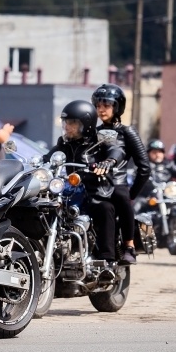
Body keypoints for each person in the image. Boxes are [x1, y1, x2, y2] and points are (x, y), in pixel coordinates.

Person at [43, 100, 126, 265]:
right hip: (69, 189)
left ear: (86, 124)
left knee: (104, 207)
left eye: (72, 123)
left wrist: (109, 161)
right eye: (65, 122)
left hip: (94, 189)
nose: (67, 127)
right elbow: (48, 159)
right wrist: (39, 165)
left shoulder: (98, 142)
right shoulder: (64, 144)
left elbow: (116, 149)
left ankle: (107, 259)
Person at [91, 83, 150, 265]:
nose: (101, 110)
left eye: (106, 105)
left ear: (117, 107)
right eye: (98, 105)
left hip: (117, 183)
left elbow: (144, 168)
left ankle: (128, 246)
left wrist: (132, 194)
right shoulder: (92, 132)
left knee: (120, 195)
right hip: (93, 184)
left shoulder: (127, 132)